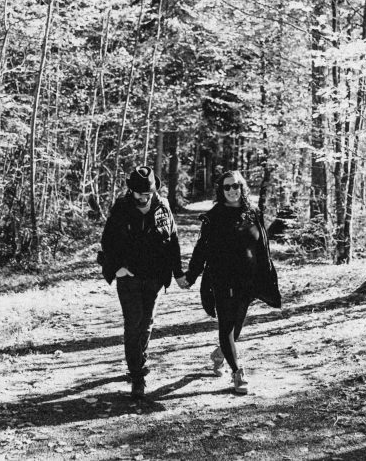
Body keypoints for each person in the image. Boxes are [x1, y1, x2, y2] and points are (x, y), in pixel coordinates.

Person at [182, 170, 281, 395]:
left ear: (242, 187)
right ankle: (237, 373)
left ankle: (220, 354)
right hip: (221, 279)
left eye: (236, 186)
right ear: (221, 190)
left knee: (236, 326)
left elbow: (262, 247)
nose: (232, 190)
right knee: (226, 325)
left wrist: (266, 275)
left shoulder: (253, 213)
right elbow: (201, 250)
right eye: (227, 187)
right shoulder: (213, 217)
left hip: (247, 281)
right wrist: (190, 276)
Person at [100, 165, 187, 399]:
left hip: (155, 277)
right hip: (129, 277)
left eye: (147, 194)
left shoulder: (163, 207)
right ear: (132, 191)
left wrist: (178, 273)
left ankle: (138, 359)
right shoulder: (121, 208)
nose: (143, 198)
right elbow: (107, 242)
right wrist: (115, 268)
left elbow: (174, 241)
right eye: (139, 194)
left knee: (147, 323)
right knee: (133, 322)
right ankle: (137, 375)